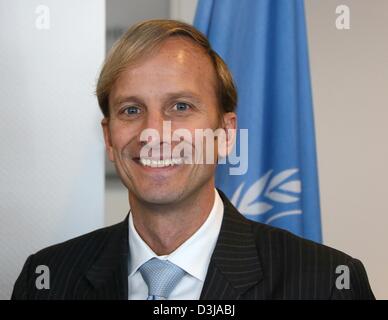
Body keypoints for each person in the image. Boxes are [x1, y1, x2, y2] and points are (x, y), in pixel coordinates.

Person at [12, 19, 374, 300]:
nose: (154, 133)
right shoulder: (47, 278)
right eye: (132, 109)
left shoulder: (326, 282)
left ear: (226, 133)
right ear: (109, 137)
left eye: (181, 107)